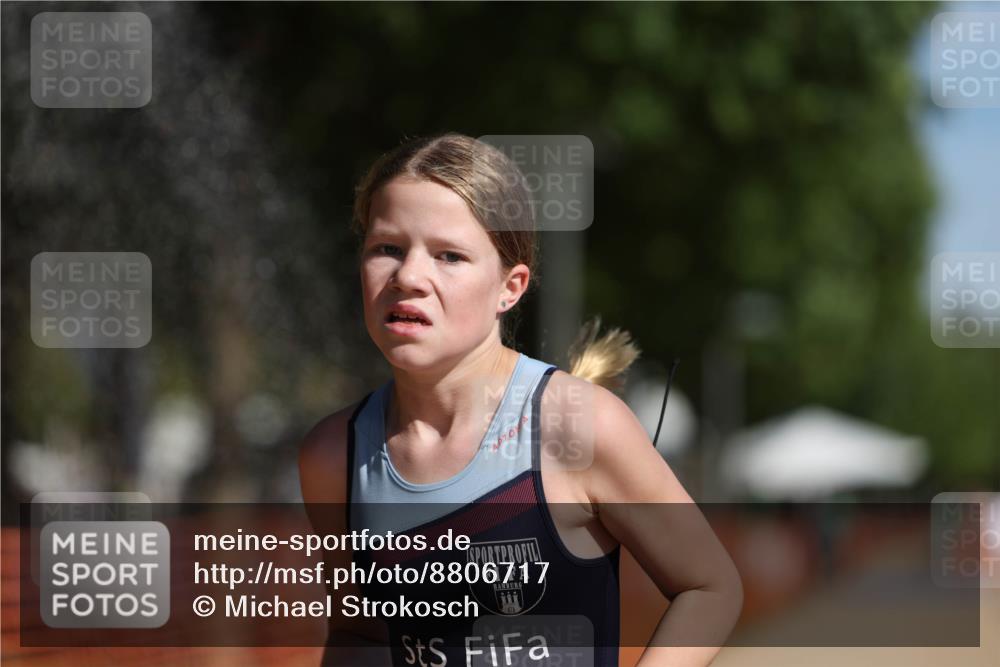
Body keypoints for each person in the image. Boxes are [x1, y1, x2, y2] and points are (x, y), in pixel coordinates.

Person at [299, 132, 743, 667]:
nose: (409, 276)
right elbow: (360, 634)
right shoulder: (333, 454)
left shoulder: (577, 426)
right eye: (387, 248)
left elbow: (710, 588)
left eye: (450, 256)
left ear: (510, 287)